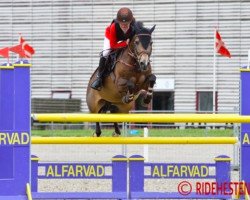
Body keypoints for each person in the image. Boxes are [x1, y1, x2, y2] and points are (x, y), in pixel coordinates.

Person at [91, 7, 135, 91]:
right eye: (122, 24)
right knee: (105, 53)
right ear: (118, 22)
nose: (124, 26)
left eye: (126, 25)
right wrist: (125, 43)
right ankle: (99, 78)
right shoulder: (113, 27)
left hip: (124, 39)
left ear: (130, 22)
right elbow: (113, 45)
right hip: (111, 38)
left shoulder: (133, 27)